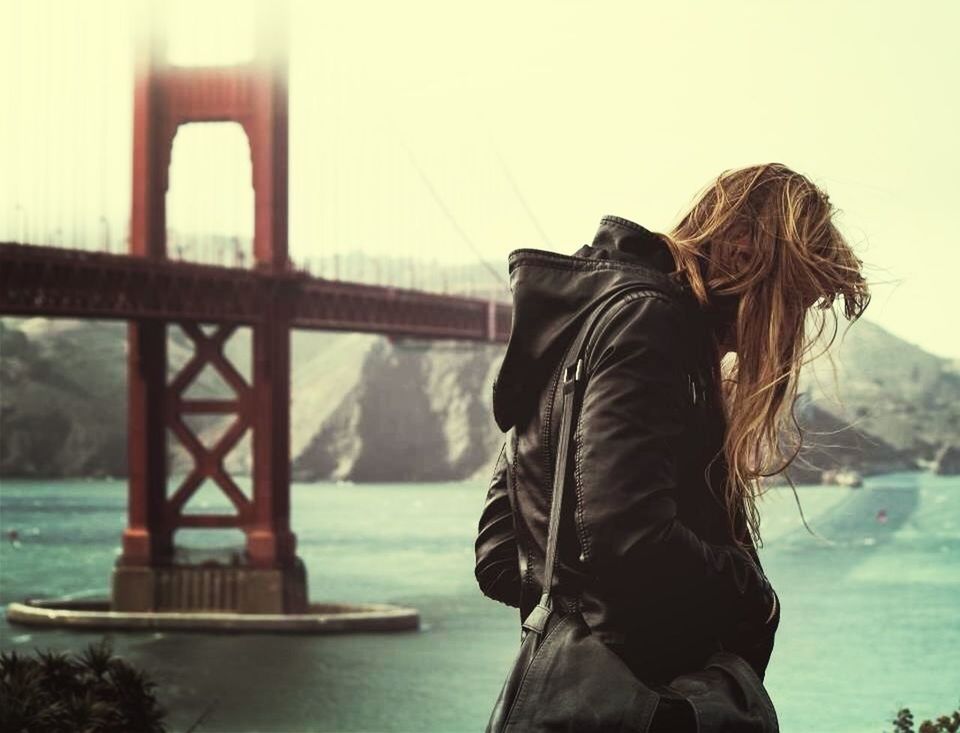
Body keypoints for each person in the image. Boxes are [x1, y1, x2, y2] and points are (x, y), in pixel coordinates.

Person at [474, 163, 869, 730]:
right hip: (650, 709)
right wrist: (750, 596)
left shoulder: (579, 321)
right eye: (795, 296)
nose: (792, 327)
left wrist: (583, 619)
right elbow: (628, 538)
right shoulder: (652, 323)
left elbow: (499, 557)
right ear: (739, 250)